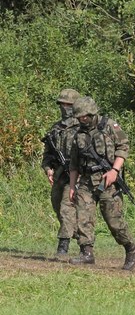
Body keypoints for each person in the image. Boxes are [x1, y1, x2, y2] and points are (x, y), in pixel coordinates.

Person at [68, 96, 135, 270]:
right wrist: (72, 186)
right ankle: (87, 253)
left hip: (108, 180)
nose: (82, 119)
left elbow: (123, 147)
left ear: (92, 113)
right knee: (83, 217)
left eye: (85, 116)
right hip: (86, 181)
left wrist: (114, 171)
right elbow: (73, 163)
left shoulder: (110, 126)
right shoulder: (78, 135)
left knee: (113, 221)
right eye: (79, 117)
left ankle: (131, 248)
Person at [41, 88, 81, 257]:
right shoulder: (56, 128)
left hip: (76, 175)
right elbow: (48, 153)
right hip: (59, 174)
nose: (65, 108)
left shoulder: (82, 128)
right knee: (57, 206)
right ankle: (82, 237)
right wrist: (48, 169)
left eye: (69, 105)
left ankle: (62, 247)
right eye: (62, 104)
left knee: (66, 208)